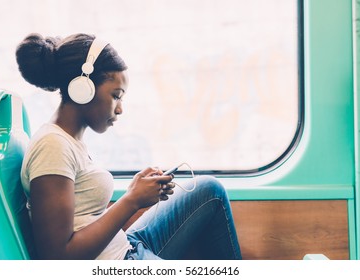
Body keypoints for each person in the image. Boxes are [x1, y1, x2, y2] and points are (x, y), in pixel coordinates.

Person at [16, 33, 242, 260]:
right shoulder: (52, 146)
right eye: (116, 96)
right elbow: (59, 257)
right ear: (82, 89)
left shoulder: (69, 140)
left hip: (125, 245)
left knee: (209, 191)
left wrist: (135, 190)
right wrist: (132, 200)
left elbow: (84, 215)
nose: (120, 109)